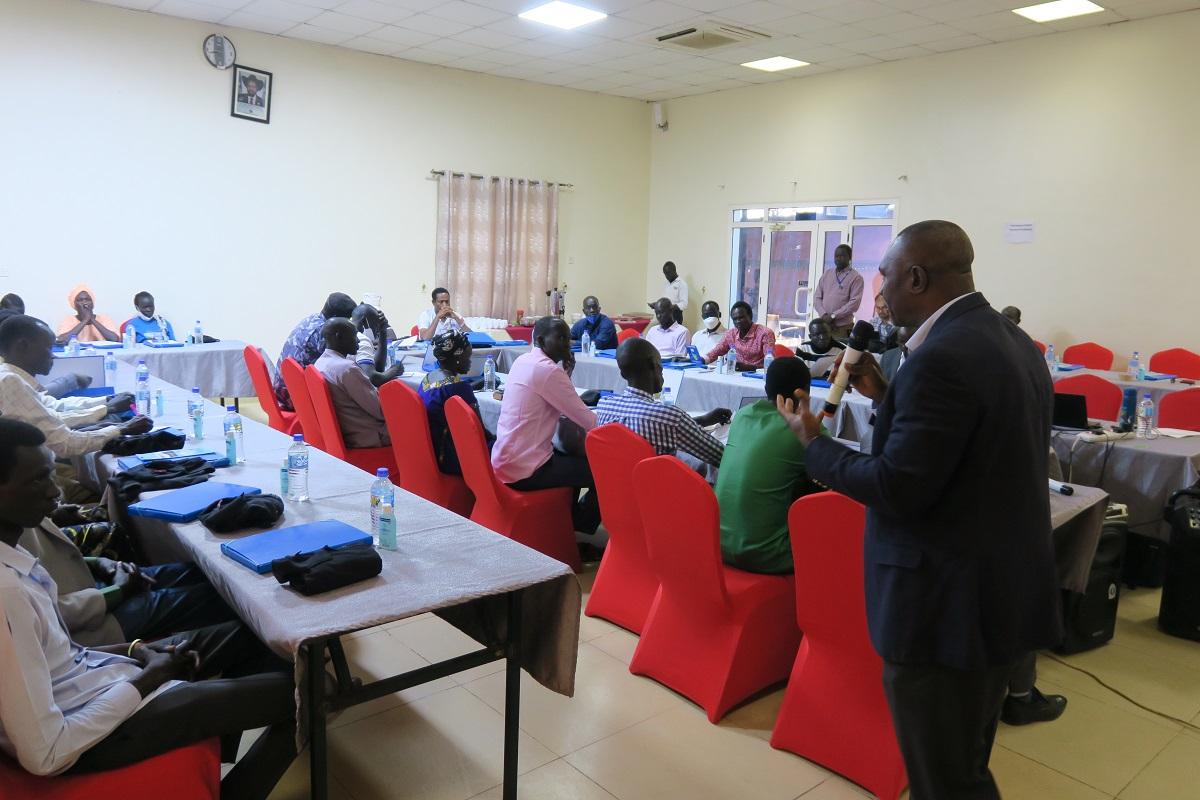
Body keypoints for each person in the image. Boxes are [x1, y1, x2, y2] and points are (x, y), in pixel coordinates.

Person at [775, 220, 1062, 800]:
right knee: (965, 764)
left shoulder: (940, 358)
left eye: (884, 279)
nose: (878, 295)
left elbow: (897, 486)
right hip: (998, 593)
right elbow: (961, 452)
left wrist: (814, 444)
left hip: (944, 608)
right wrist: (887, 394)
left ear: (916, 278)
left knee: (944, 780)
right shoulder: (1011, 341)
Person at [0, 419, 296, 796]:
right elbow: (46, 753)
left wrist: (137, 650)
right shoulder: (7, 592)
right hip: (91, 735)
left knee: (257, 635)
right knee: (306, 690)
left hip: (97, 688)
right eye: (38, 480)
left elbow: (61, 656)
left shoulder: (16, 560)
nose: (54, 490)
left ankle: (215, 748)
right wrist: (148, 680)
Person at [19, 517, 234, 646]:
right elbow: (49, 614)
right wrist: (119, 591)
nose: (55, 491)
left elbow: (44, 561)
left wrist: (97, 562)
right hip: (87, 627)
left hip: (91, 587)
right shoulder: (7, 582)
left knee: (204, 573)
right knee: (220, 597)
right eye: (39, 479)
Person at [491, 317, 600, 533]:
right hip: (526, 470)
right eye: (560, 338)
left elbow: (559, 399)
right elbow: (589, 421)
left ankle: (567, 523)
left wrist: (565, 375)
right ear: (541, 340)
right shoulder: (548, 371)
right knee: (603, 470)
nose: (567, 343)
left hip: (505, 460)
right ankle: (581, 525)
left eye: (568, 337)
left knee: (571, 457)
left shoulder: (523, 360)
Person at [716, 358, 823, 574]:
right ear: (805, 392)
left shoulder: (742, 416)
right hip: (767, 555)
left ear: (766, 388)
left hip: (718, 543)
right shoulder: (803, 430)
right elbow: (837, 471)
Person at [0, 315, 151, 458]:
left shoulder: (11, 376)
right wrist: (122, 429)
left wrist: (107, 403)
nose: (53, 355)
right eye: (49, 348)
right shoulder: (9, 381)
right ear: (23, 346)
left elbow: (55, 410)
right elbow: (65, 445)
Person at [596, 338, 728, 467]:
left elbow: (658, 426)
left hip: (615, 480)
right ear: (653, 365)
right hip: (659, 481)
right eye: (661, 366)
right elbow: (720, 455)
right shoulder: (670, 417)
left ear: (622, 374)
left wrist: (703, 420)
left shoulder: (604, 406)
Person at [419, 331, 491, 476]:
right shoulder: (460, 388)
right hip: (450, 456)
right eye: (467, 357)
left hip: (430, 451)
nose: (470, 362)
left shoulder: (428, 378)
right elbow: (479, 432)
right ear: (456, 357)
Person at [272, 292, 357, 412]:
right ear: (335, 317)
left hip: (282, 389)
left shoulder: (312, 319)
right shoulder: (324, 333)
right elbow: (341, 365)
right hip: (294, 398)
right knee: (350, 399)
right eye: (347, 319)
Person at [313, 318, 388, 449]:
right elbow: (380, 411)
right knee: (420, 420)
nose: (358, 341)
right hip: (368, 435)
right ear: (339, 337)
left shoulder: (320, 363)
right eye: (354, 336)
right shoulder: (347, 369)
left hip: (346, 432)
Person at [702, 301, 775, 370]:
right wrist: (702, 360)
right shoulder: (731, 334)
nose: (738, 321)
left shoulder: (765, 333)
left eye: (741, 318)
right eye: (735, 319)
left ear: (750, 316)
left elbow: (770, 364)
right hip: (735, 374)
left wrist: (748, 368)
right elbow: (717, 351)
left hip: (758, 375)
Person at [813, 244, 864, 339]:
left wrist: (833, 316)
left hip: (842, 327)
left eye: (842, 256)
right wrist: (824, 315)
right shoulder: (827, 274)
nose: (838, 258)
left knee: (839, 349)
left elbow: (854, 303)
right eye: (836, 256)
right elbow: (817, 297)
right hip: (824, 325)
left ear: (849, 257)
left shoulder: (856, 278)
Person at [351, 303, 401, 387]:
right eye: (376, 326)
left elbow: (378, 368)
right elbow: (372, 379)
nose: (377, 331)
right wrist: (394, 370)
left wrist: (383, 332)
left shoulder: (346, 334)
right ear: (365, 322)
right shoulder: (361, 340)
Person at [656, 261, 688, 325]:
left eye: (668, 273)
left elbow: (684, 304)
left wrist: (670, 307)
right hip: (664, 315)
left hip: (675, 316)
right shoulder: (666, 284)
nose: (666, 276)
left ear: (674, 270)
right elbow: (665, 299)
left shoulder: (682, 284)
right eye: (665, 274)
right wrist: (657, 305)